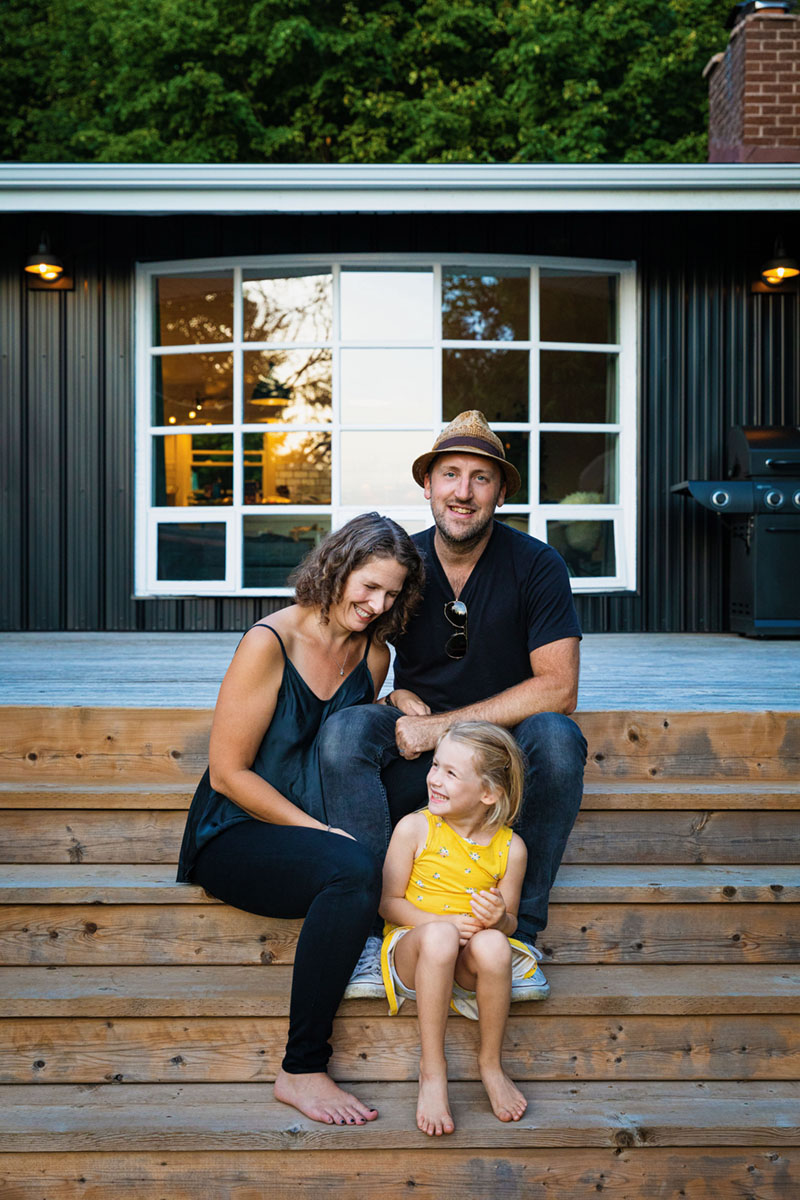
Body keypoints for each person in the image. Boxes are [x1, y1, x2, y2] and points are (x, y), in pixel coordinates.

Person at [320, 410, 586, 1000]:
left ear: (500, 492)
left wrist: (443, 727)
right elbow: (352, 651)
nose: (463, 492)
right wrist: (391, 695)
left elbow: (559, 688)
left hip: (503, 753)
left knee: (558, 738)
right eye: (450, 475)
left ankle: (518, 938)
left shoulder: (537, 564)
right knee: (344, 733)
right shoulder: (403, 561)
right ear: (427, 484)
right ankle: (369, 936)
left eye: (480, 478)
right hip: (420, 751)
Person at [176, 513, 425, 1126]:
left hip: (317, 830)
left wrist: (392, 700)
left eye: (391, 594)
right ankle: (301, 1068)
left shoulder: (374, 653)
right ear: (337, 567)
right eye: (368, 586)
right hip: (236, 831)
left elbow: (341, 736)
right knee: (352, 868)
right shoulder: (270, 641)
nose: (377, 605)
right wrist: (318, 832)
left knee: (426, 773)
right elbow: (228, 773)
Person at [380, 721, 533, 1136]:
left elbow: (510, 923)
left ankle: (491, 1064)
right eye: (435, 766)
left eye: (451, 773)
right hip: (414, 950)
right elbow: (388, 903)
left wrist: (498, 918)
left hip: (465, 960)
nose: (434, 779)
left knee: (495, 945)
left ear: (489, 793)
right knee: (442, 936)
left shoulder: (510, 849)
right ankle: (433, 1069)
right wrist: (441, 923)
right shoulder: (415, 829)